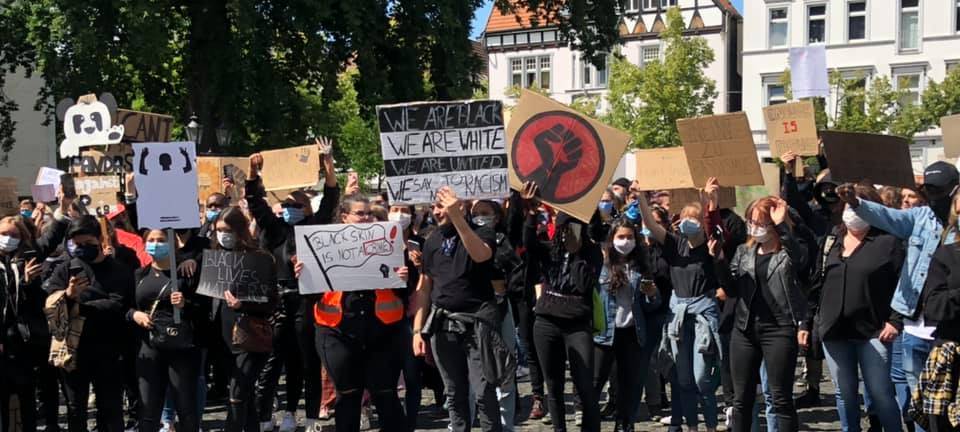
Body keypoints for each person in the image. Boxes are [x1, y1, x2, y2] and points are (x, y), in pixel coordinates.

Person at [841, 161, 960, 432]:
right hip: (915, 326)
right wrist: (858, 203)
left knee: (949, 404)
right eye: (929, 191)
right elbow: (887, 217)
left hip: (950, 330)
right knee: (918, 401)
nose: (935, 198)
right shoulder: (919, 217)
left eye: (941, 192)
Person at [245, 141, 339, 432]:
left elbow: (331, 199)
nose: (289, 209)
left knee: (307, 360)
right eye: (285, 205)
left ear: (307, 208)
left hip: (307, 301)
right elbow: (256, 204)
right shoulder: (275, 230)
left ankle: (308, 415)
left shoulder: (314, 226)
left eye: (295, 205)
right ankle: (265, 417)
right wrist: (252, 172)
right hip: (277, 301)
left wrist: (328, 166)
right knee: (273, 361)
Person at [297, 195, 409, 432]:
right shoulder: (324, 244)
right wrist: (303, 274)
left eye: (369, 213)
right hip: (337, 330)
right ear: (344, 216)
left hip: (382, 331)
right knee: (348, 394)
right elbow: (310, 296)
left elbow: (409, 291)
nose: (367, 217)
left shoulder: (390, 243)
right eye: (360, 213)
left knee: (385, 393)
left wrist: (406, 277)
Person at [810, 184, 905, 432]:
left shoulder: (888, 242)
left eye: (856, 205)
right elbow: (817, 283)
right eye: (847, 205)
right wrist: (809, 321)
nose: (851, 211)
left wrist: (895, 320)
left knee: (880, 392)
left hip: (873, 330)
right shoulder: (832, 239)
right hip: (834, 329)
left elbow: (903, 284)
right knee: (845, 393)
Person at [411, 186, 504, 432]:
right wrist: (418, 330)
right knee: (454, 393)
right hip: (443, 325)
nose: (437, 211)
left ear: (460, 205)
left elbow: (481, 255)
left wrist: (459, 220)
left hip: (478, 324)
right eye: (435, 207)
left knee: (483, 392)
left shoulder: (482, 231)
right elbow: (424, 288)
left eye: (442, 206)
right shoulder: (432, 240)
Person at [636, 179, 723, 432]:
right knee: (683, 379)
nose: (687, 221)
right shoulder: (675, 244)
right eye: (684, 217)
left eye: (693, 218)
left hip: (702, 315)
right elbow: (651, 225)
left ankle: (710, 424)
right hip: (678, 316)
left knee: (701, 378)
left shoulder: (709, 246)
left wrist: (710, 201)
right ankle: (693, 427)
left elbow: (713, 225)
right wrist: (642, 197)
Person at [719, 197, 807, 432]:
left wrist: (781, 226)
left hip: (779, 328)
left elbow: (799, 259)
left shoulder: (787, 251)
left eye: (760, 222)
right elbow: (731, 289)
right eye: (751, 221)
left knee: (780, 398)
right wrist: (717, 261)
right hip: (745, 328)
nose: (754, 227)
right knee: (741, 399)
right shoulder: (744, 251)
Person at [44, 215, 135, 432]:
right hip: (74, 349)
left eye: (89, 244)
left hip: (109, 349)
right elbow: (50, 302)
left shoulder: (119, 270)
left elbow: (117, 305)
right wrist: (68, 295)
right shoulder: (66, 269)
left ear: (100, 240)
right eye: (78, 245)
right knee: (76, 407)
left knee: (110, 408)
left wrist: (79, 306)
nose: (83, 249)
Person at [527, 207, 602, 432]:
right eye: (566, 229)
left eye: (575, 228)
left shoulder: (592, 253)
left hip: (577, 324)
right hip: (546, 322)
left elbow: (583, 285)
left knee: (584, 385)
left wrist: (577, 251)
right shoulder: (551, 251)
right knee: (554, 385)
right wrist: (530, 215)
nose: (569, 233)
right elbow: (529, 245)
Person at [212, 207, 279, 432]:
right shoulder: (216, 258)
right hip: (223, 338)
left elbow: (271, 302)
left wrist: (244, 304)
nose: (223, 235)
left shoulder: (260, 259)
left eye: (227, 230)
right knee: (246, 396)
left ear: (240, 230)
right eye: (218, 230)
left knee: (238, 394)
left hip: (250, 337)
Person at [130, 229, 202, 432]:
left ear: (172, 244)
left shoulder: (185, 272)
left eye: (160, 240)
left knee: (186, 408)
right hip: (149, 346)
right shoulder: (140, 274)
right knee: (148, 410)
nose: (155, 244)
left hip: (180, 348)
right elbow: (126, 306)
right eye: (151, 240)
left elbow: (204, 309)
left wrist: (185, 304)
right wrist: (135, 315)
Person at [593, 219, 659, 432]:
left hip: (632, 332)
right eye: (621, 237)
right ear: (612, 240)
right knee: (594, 382)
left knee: (628, 384)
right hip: (605, 334)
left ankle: (624, 425)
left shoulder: (641, 265)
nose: (626, 241)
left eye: (630, 237)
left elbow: (651, 305)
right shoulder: (602, 266)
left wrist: (651, 295)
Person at [0, 216, 46, 432]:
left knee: (27, 399)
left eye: (14, 236)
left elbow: (36, 306)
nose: (8, 239)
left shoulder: (26, 262)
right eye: (4, 235)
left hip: (22, 345)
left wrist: (28, 283)